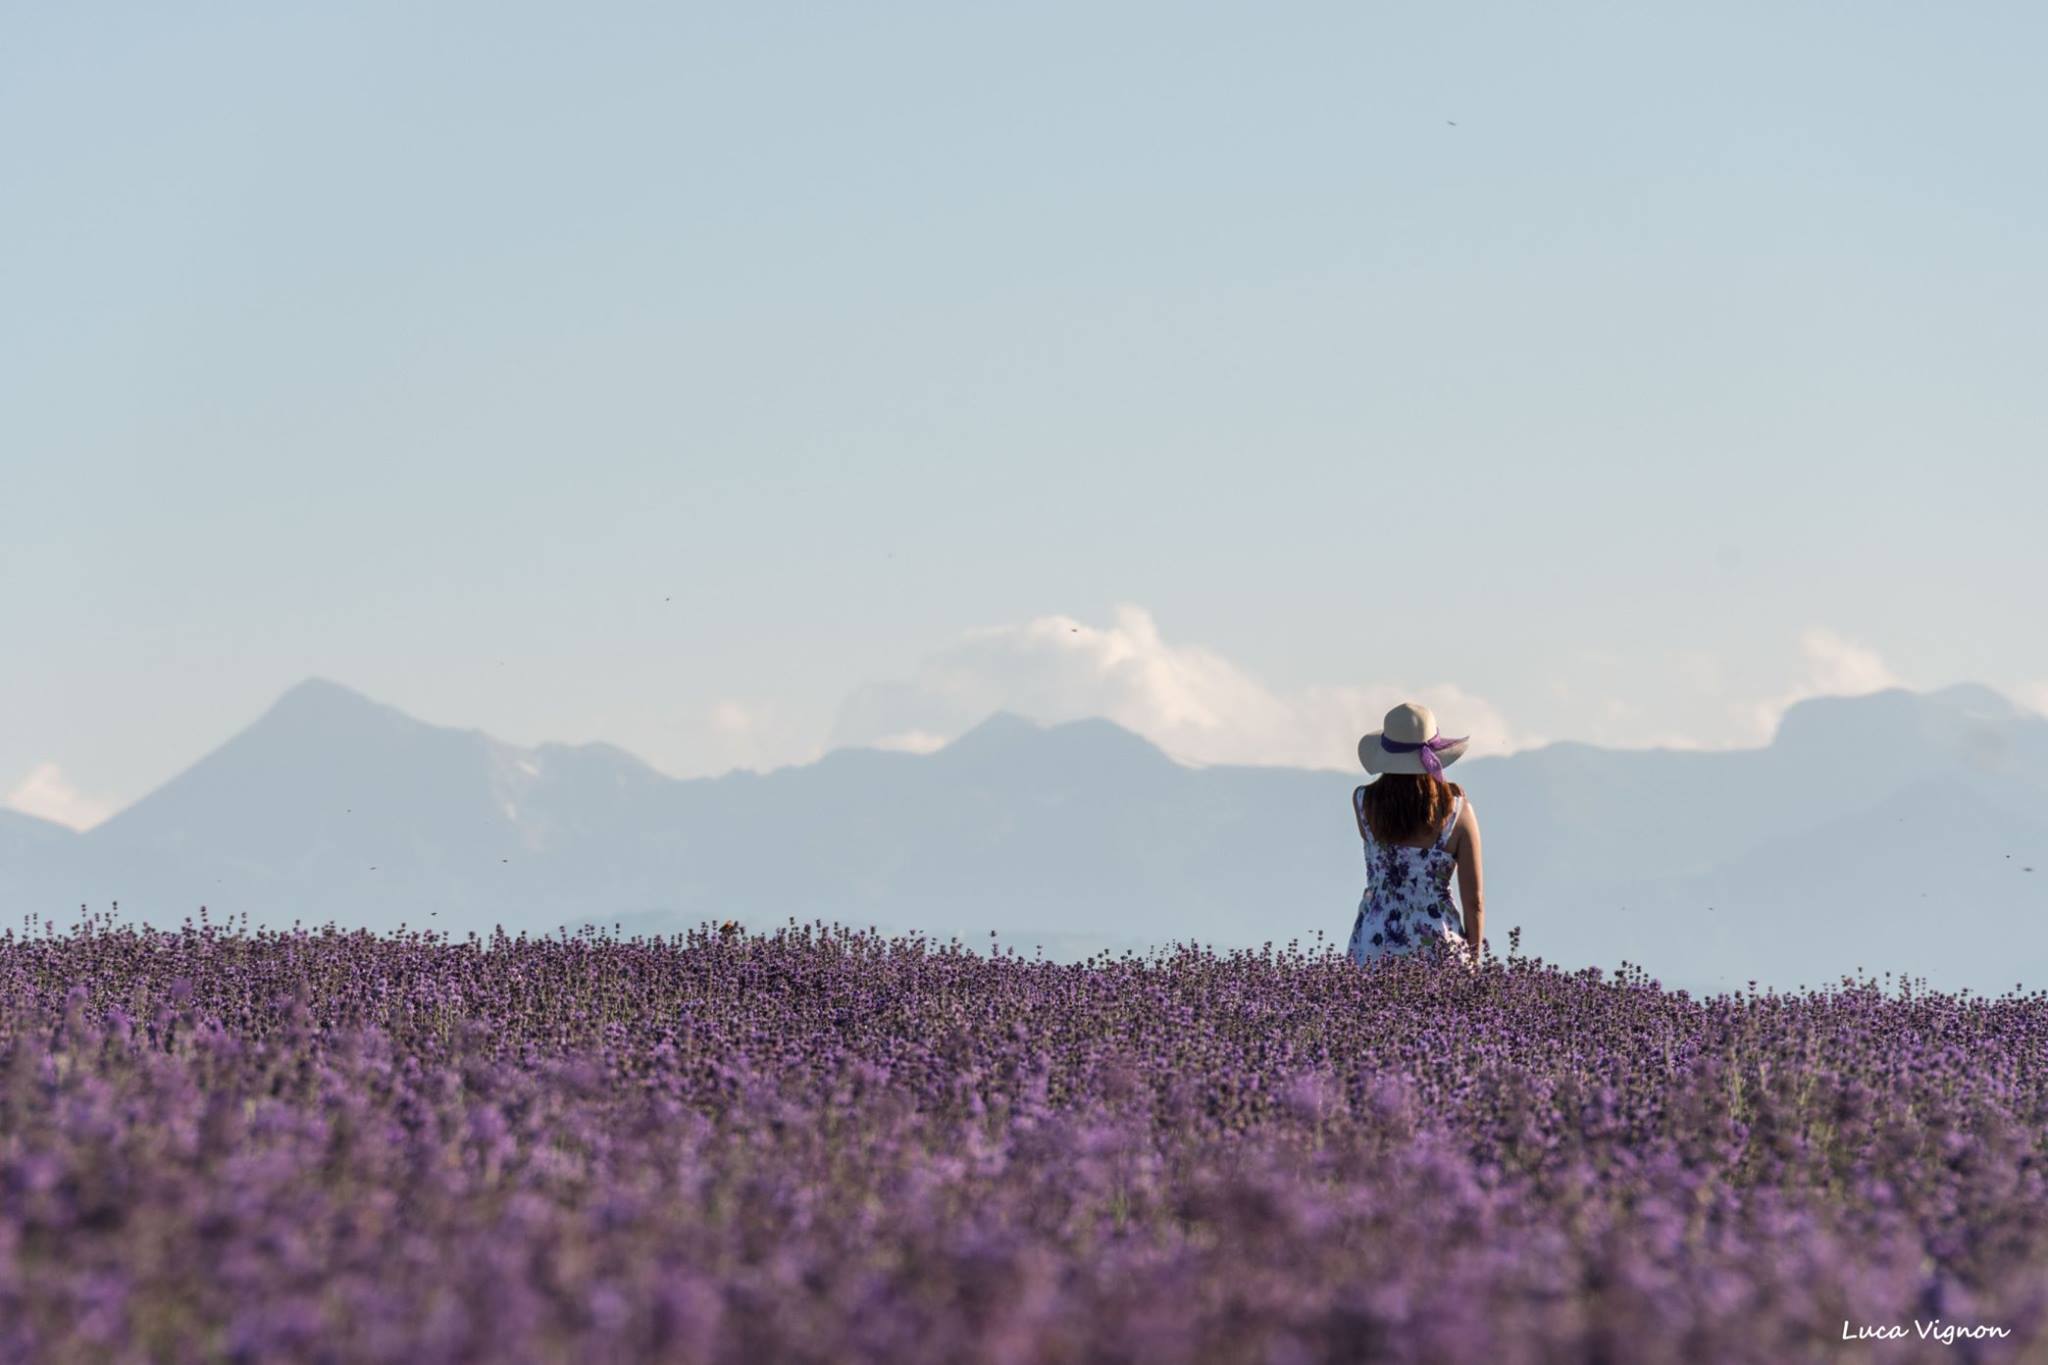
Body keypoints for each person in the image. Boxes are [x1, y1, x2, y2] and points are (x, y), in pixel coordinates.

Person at [1347, 702, 1485, 968]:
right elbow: (1474, 901)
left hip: (1374, 942)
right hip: (1438, 945)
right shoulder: (1458, 812)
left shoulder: (1363, 802)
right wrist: (1474, 959)